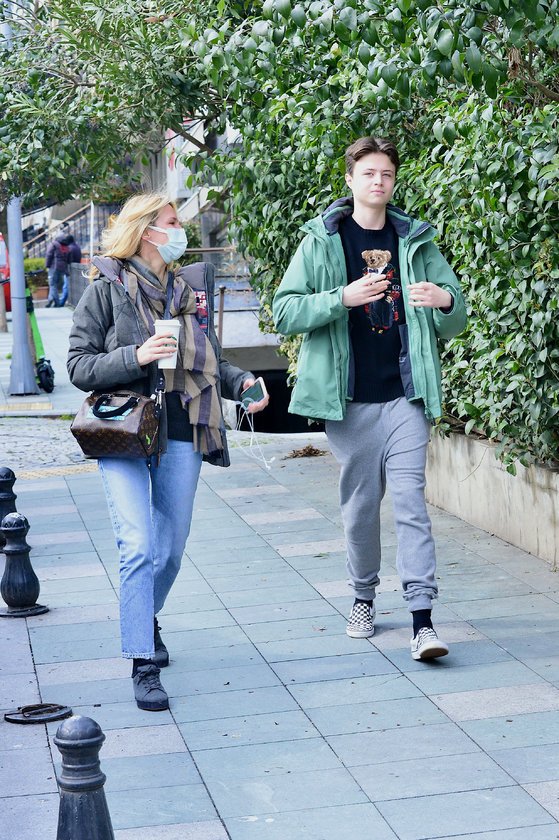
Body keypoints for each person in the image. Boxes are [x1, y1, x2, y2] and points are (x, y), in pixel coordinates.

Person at [67, 193, 269, 710]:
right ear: (145, 232)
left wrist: (243, 382)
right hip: (124, 432)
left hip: (182, 430)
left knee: (171, 550)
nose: (181, 231)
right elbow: (78, 366)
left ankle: (144, 614)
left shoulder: (187, 290)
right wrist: (135, 356)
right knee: (137, 547)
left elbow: (212, 361)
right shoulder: (106, 288)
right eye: (173, 222)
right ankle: (143, 663)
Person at [273, 136, 467, 661]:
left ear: (394, 181)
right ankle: (363, 597)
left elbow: (455, 317)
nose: (378, 181)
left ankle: (422, 620)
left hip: (406, 396)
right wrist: (341, 298)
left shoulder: (415, 240)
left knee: (411, 505)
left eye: (386, 174)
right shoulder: (321, 242)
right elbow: (285, 312)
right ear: (350, 180)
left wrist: (444, 300)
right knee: (360, 511)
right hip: (350, 400)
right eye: (368, 173)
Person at [45, 230, 72, 307]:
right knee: (55, 284)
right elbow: (69, 258)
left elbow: (49, 255)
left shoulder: (53, 244)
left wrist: (47, 265)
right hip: (63, 268)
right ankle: (50, 299)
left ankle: (57, 302)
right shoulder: (66, 246)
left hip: (53, 267)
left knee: (52, 284)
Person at [59, 233, 82, 306]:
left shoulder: (69, 248)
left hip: (70, 270)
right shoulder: (77, 247)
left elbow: (67, 259)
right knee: (74, 287)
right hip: (77, 268)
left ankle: (62, 302)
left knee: (66, 286)